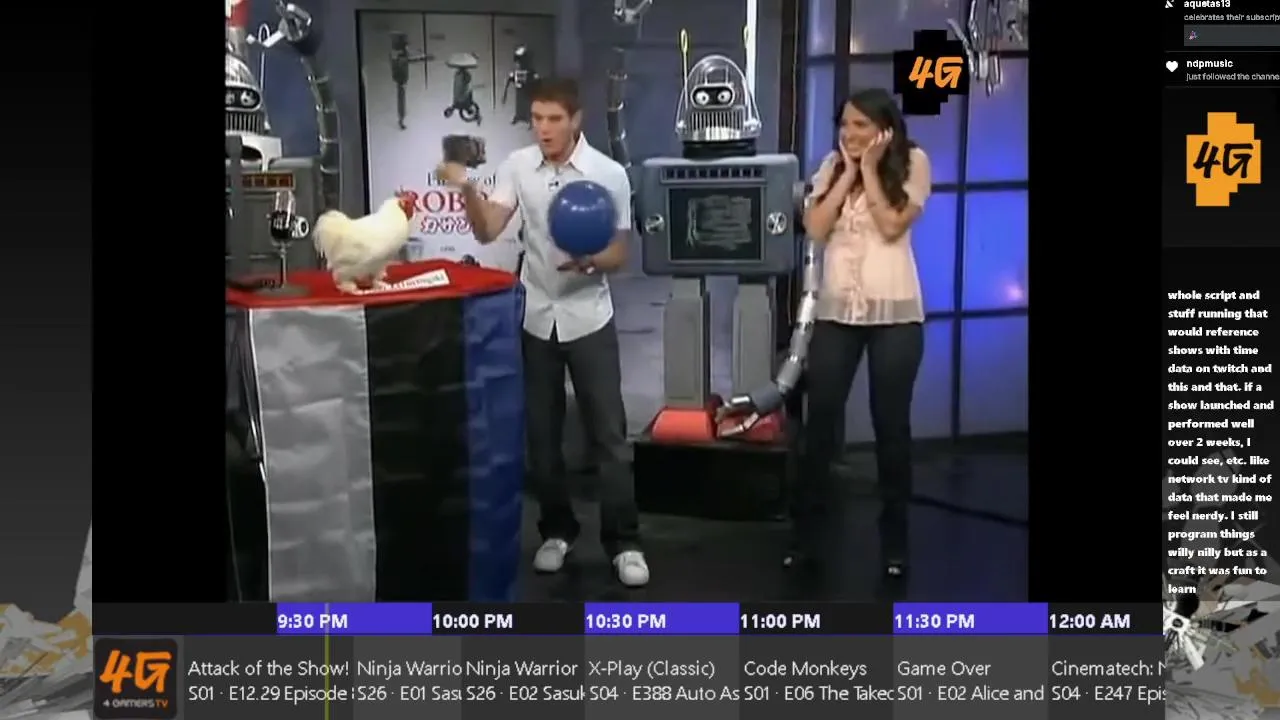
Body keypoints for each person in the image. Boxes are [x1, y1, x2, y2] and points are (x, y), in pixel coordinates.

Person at [436, 77, 649, 588]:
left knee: (610, 437)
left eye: (554, 119)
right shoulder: (517, 166)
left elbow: (620, 252)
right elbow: (488, 230)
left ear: (576, 120)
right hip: (535, 317)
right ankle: (557, 530)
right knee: (542, 437)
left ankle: (624, 541)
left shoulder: (609, 174)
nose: (544, 129)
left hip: (589, 317)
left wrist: (590, 261)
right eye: (537, 118)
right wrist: (466, 189)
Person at [794, 88, 932, 582]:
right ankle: (807, 538)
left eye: (860, 126)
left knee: (890, 427)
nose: (849, 134)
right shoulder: (831, 166)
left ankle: (894, 542)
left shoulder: (913, 162)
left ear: (884, 130)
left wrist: (870, 170)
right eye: (845, 125)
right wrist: (847, 173)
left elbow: (892, 226)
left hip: (895, 315)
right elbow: (815, 228)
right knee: (819, 424)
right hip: (837, 314)